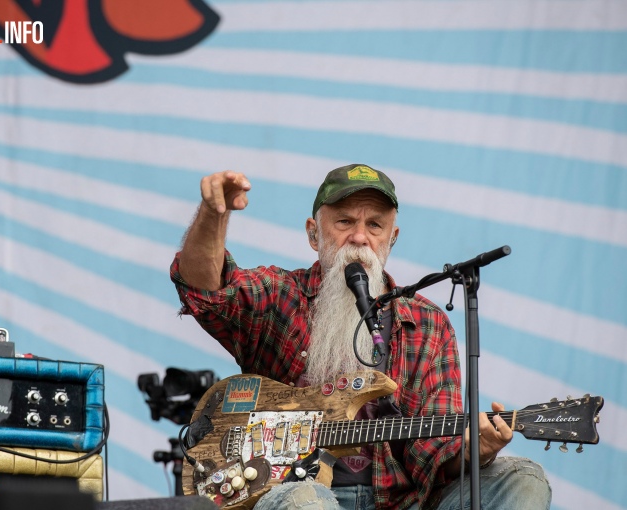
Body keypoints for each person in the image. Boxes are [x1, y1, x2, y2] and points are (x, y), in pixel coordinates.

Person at [170, 164, 551, 510]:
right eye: (344, 221)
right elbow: (205, 291)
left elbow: (435, 454)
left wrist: (474, 450)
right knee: (308, 502)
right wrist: (213, 217)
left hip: (401, 503)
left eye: (375, 225)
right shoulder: (280, 297)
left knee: (523, 478)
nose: (359, 237)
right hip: (293, 493)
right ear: (312, 233)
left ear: (392, 237)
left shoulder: (429, 324)